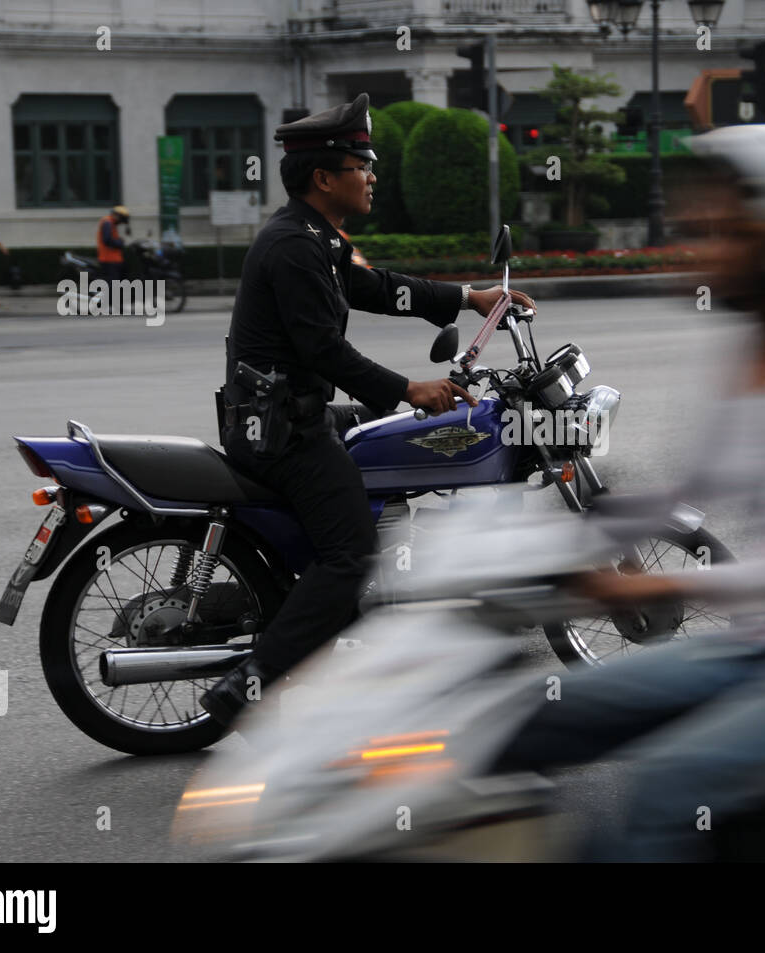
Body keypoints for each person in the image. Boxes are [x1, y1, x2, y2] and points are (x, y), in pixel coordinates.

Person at [493, 123, 765, 861]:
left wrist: (641, 582)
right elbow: (678, 493)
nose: (702, 247)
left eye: (725, 229)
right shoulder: (748, 355)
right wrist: (532, 552)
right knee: (530, 715)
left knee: (665, 789)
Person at [200, 93, 536, 728]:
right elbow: (321, 348)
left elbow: (377, 286)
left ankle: (354, 628)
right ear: (325, 177)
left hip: (289, 415)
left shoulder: (314, 236)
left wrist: (471, 296)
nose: (373, 175)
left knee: (385, 444)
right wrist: (411, 388)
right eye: (363, 165)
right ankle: (248, 682)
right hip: (281, 432)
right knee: (350, 554)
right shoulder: (293, 247)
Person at [96, 205, 129, 282]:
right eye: (121, 219)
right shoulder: (108, 222)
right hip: (110, 260)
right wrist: (119, 243)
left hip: (112, 259)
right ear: (117, 215)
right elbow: (107, 240)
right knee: (113, 287)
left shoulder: (110, 223)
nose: (120, 222)